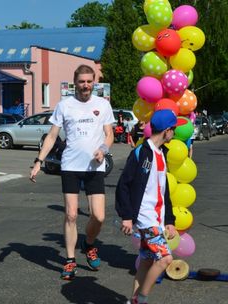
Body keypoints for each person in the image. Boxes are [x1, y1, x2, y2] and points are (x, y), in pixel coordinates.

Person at [29, 64, 114, 280]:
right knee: (71, 214)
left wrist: (103, 150)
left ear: (94, 82)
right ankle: (69, 260)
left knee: (99, 216)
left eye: (89, 81)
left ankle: (89, 244)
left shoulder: (103, 105)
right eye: (81, 82)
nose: (85, 85)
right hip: (70, 167)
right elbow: (51, 136)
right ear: (75, 83)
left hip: (95, 167)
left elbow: (109, 134)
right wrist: (39, 161)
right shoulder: (64, 105)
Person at [115, 109, 181, 304]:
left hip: (157, 217)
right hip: (145, 216)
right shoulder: (141, 153)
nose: (174, 134)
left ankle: (133, 301)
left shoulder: (162, 153)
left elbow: (164, 190)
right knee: (165, 259)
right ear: (167, 131)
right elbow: (123, 185)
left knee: (146, 261)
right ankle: (140, 300)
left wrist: (169, 220)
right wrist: (126, 215)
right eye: (174, 130)